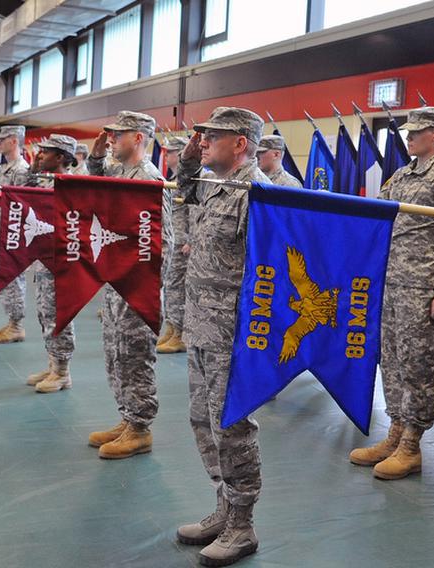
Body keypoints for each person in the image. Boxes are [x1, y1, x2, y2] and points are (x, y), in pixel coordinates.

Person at [349, 107, 434, 480]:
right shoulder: (401, 176)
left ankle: (412, 445)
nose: (409, 138)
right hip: (391, 285)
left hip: (422, 288)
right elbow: (377, 217)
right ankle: (395, 432)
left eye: (417, 132)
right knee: (391, 362)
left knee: (417, 366)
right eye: (408, 132)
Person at [175, 107, 270, 566]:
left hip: (232, 332)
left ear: (241, 143)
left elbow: (269, 274)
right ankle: (224, 507)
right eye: (202, 136)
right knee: (202, 421)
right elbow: (184, 189)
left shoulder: (257, 193)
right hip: (200, 325)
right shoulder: (217, 184)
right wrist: (190, 158)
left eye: (213, 136)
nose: (203, 141)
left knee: (232, 427)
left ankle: (242, 525)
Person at [85, 111, 173, 459]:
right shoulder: (121, 171)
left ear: (138, 137)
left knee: (135, 358)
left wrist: (142, 294)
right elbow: (95, 180)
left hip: (137, 288)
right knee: (116, 356)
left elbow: (163, 241)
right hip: (117, 282)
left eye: (118, 135)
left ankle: (140, 429)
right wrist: (94, 156)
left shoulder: (148, 179)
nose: (110, 140)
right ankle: (127, 417)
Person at [24, 135, 79, 393]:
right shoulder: (45, 180)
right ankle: (52, 364)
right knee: (45, 312)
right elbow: (22, 193)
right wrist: (34, 168)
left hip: (61, 263)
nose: (40, 155)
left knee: (59, 316)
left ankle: (62, 372)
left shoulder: (71, 184)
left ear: (60, 157)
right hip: (44, 260)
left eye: (46, 152)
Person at [0, 125, 31, 344]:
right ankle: (12, 321)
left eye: (3, 140)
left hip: (12, 232)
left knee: (13, 277)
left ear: (14, 141)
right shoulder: (7, 167)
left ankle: (17, 326)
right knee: (4, 276)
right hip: (1, 228)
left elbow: (22, 206)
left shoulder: (21, 170)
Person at [158, 136, 190, 354]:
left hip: (183, 243)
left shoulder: (189, 178)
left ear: (180, 153)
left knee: (178, 288)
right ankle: (171, 327)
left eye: (170, 152)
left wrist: (191, 240)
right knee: (170, 287)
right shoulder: (174, 177)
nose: (166, 155)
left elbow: (196, 210)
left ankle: (180, 333)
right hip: (174, 241)